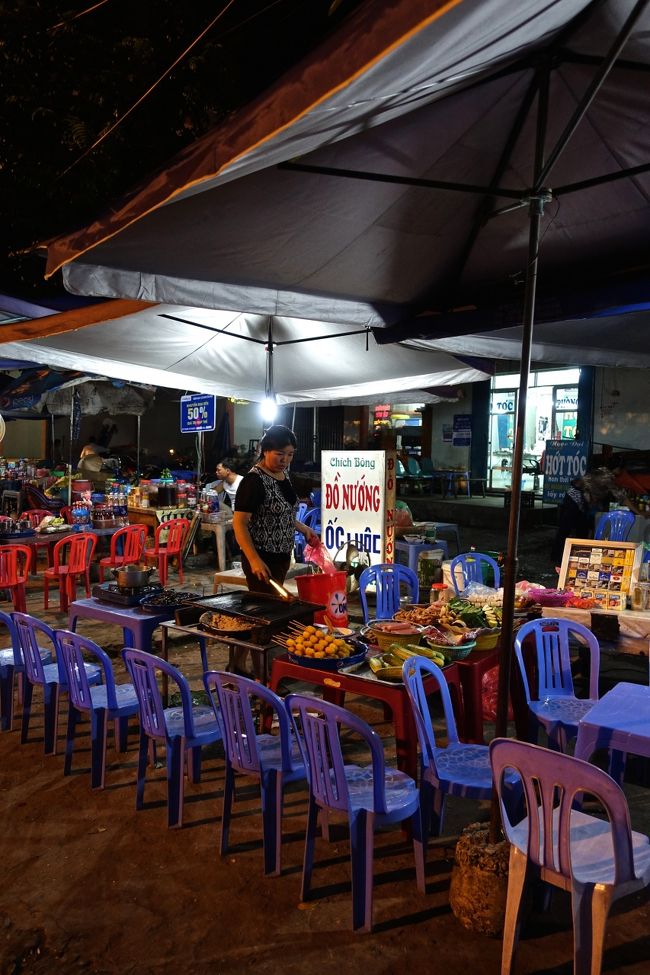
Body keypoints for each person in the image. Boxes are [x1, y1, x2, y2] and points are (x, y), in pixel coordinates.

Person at [233, 425, 319, 593]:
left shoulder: (283, 475)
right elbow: (239, 523)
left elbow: (282, 512)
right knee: (266, 609)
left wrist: (303, 528)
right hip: (262, 557)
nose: (285, 460)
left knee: (275, 607)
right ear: (265, 451)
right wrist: (254, 560)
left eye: (290, 454)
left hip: (282, 556)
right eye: (279, 454)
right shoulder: (254, 481)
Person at [551, 465, 645, 567]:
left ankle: (579, 555)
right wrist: (639, 513)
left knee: (582, 529)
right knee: (566, 528)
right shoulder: (607, 478)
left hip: (580, 496)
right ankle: (557, 557)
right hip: (575, 496)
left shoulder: (604, 472)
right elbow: (622, 498)